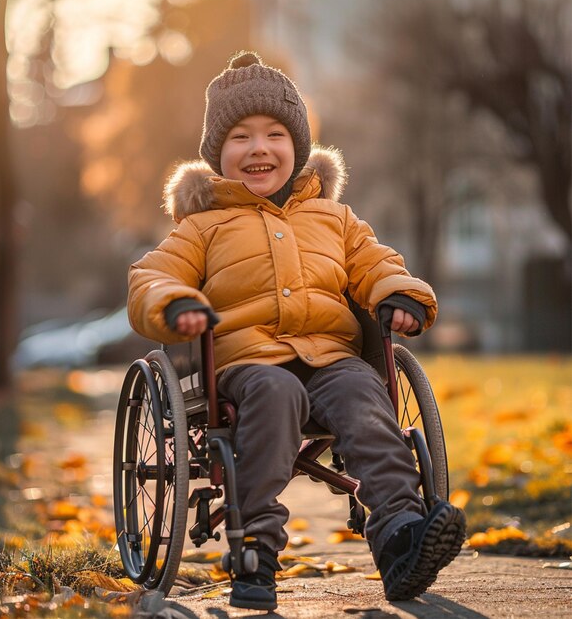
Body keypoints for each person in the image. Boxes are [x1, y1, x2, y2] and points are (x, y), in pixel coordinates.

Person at [127, 51, 466, 611]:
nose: (259, 148)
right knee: (275, 391)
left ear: (298, 147)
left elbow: (373, 262)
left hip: (332, 359)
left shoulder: (333, 218)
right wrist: (177, 302)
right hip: (247, 365)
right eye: (240, 136)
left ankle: (401, 534)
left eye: (275, 134)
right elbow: (152, 277)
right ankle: (255, 542)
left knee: (364, 397)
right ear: (218, 153)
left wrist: (399, 294)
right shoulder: (202, 226)